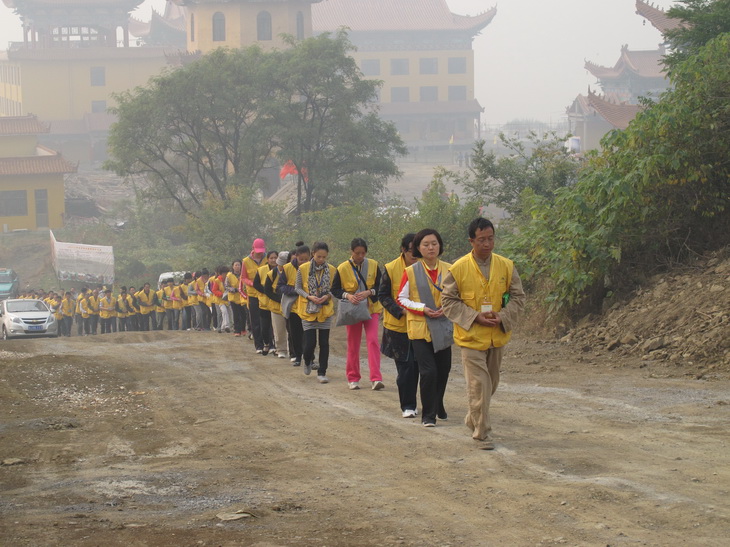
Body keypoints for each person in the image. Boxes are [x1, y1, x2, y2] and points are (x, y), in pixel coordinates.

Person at [441, 217, 525, 450]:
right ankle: (481, 433)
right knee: (479, 384)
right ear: (471, 241)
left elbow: (518, 298)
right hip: (471, 337)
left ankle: (473, 417)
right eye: (481, 240)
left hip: (497, 335)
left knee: (491, 383)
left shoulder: (507, 266)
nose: (487, 244)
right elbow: (447, 301)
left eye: (490, 238)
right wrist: (474, 316)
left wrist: (503, 316)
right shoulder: (458, 268)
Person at [398, 229, 453, 427]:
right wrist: (423, 309)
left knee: (444, 369)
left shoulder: (450, 269)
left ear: (440, 246)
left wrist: (445, 309)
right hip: (420, 327)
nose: (431, 247)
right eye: (426, 244)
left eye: (434, 243)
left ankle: (437, 402)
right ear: (418, 248)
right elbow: (401, 298)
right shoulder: (411, 271)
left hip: (443, 325)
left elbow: (458, 294)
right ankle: (428, 415)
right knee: (428, 371)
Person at [332, 238, 384, 391]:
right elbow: (335, 290)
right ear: (351, 252)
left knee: (373, 341)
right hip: (352, 311)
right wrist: (348, 296)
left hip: (372, 309)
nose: (360, 256)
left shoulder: (374, 265)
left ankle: (376, 378)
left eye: (363, 253)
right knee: (353, 344)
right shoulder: (342, 268)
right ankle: (353, 378)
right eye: (357, 253)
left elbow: (380, 286)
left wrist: (370, 292)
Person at [378, 233, 420, 418]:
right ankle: (408, 406)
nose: (417, 254)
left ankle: (420, 402)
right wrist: (401, 311)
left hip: (421, 325)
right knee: (405, 367)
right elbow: (383, 295)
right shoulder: (391, 268)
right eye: (413, 250)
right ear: (403, 250)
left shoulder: (426, 267)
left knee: (419, 366)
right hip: (398, 327)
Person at [295, 241, 336, 383]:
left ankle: (322, 371)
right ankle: (307, 360)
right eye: (319, 256)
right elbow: (298, 288)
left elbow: (334, 289)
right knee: (310, 343)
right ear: (313, 254)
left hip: (325, 310)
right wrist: (309, 296)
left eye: (324, 257)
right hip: (308, 310)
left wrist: (328, 295)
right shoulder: (303, 268)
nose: (321, 260)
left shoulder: (331, 269)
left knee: (324, 343)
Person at [277, 243, 310, 367]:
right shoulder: (287, 268)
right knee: (294, 332)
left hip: (308, 305)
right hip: (293, 307)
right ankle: (297, 356)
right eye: (301, 259)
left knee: (308, 332)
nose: (303, 262)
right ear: (296, 257)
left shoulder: (313, 268)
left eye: (306, 259)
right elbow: (280, 286)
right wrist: (294, 290)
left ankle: (309, 356)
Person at [241, 238, 267, 352]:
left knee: (266, 320)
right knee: (255, 321)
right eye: (257, 250)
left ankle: (269, 344)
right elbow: (243, 277)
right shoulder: (246, 261)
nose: (259, 253)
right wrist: (252, 283)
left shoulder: (267, 258)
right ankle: (259, 346)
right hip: (253, 294)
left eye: (261, 250)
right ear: (253, 249)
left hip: (265, 293)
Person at [265, 251, 290, 359]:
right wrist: (279, 300)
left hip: (291, 306)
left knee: (292, 330)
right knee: (279, 330)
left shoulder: (292, 272)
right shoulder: (271, 274)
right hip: (276, 306)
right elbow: (267, 291)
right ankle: (281, 350)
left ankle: (293, 350)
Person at [253, 251, 277, 354]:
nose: (273, 260)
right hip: (264, 302)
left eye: (275, 258)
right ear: (267, 259)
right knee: (265, 326)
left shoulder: (282, 270)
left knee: (275, 326)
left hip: (276, 302)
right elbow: (256, 284)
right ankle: (266, 343)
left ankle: (275, 346)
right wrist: (266, 291)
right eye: (271, 258)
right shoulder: (261, 270)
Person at [226, 262, 245, 336]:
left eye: (239, 265)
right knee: (236, 314)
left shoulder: (243, 274)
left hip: (242, 297)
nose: (237, 266)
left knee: (243, 314)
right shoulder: (229, 275)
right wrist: (235, 289)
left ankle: (243, 329)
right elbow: (227, 286)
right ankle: (237, 330)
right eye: (236, 265)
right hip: (233, 297)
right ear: (233, 267)